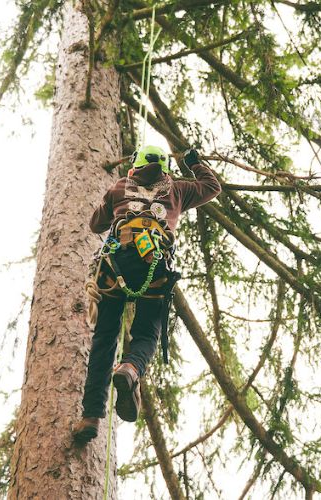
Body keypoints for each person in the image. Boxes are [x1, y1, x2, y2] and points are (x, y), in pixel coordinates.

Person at [73, 146, 221, 444]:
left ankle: (90, 417)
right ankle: (130, 367)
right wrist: (193, 163)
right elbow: (212, 187)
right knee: (147, 331)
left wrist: (121, 198)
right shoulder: (177, 189)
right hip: (155, 264)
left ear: (134, 166)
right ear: (166, 168)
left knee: (105, 337)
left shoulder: (119, 188)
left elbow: (95, 225)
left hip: (116, 265)